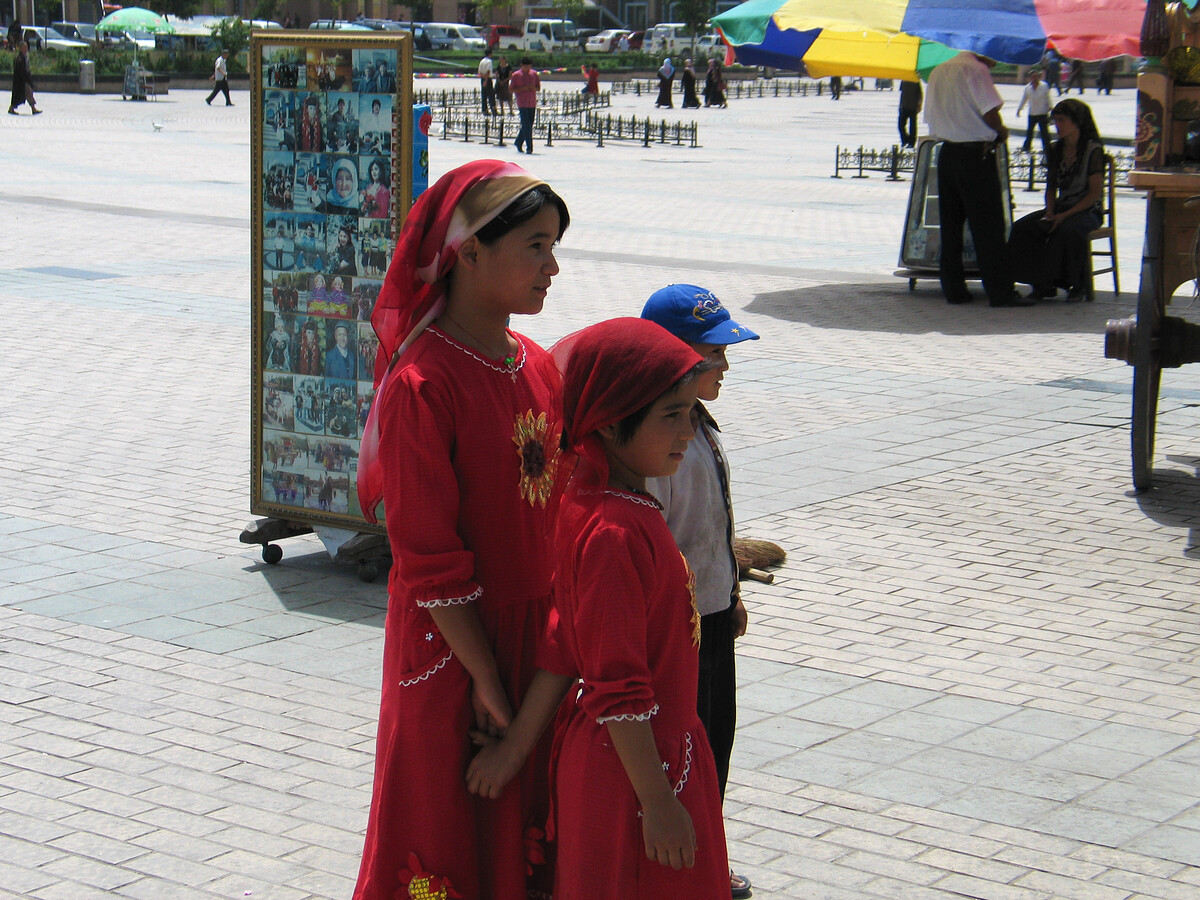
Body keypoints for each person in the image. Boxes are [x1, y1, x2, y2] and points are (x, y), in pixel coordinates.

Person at [352, 159, 570, 900]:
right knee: (442, 831)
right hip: (451, 651)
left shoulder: (539, 365)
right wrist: (483, 675)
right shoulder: (424, 384)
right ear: (468, 251)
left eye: (554, 246)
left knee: (526, 837)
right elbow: (426, 557)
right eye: (535, 246)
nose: (553, 266)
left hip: (534, 647)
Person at [464, 317, 731, 899]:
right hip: (635, 776)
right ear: (610, 423)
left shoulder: (604, 500)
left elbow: (563, 644)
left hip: (646, 760)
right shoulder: (615, 530)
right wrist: (659, 802)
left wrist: (515, 749)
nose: (687, 430)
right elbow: (616, 687)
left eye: (690, 411)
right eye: (671, 415)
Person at [640, 284, 758, 900]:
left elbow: (718, 519)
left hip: (711, 614)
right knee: (685, 749)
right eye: (713, 357)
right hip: (677, 628)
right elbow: (654, 544)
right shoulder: (656, 442)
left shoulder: (697, 423)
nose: (725, 368)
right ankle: (683, 866)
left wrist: (730, 591)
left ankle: (706, 854)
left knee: (716, 742)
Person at [924, 51, 1026, 307]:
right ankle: (1000, 292)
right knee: (988, 227)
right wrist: (1001, 131)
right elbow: (991, 114)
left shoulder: (938, 70)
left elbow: (930, 117)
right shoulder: (975, 70)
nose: (996, 61)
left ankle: (954, 289)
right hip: (974, 155)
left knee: (951, 225)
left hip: (947, 153)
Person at [1007, 99, 1105, 302]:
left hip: (1087, 210)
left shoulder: (1092, 150)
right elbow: (1051, 187)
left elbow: (1094, 194)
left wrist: (1064, 216)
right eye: (1055, 121)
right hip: (1060, 207)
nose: (1057, 125)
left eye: (1062, 120)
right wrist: (1051, 212)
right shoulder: (1055, 149)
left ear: (1076, 121)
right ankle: (1041, 283)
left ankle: (1075, 285)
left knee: (1069, 231)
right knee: (1023, 228)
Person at [1016, 69, 1052, 158]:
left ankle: (1047, 147)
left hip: (1042, 112)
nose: (1034, 78)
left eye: (1036, 76)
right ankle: (1027, 146)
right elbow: (1024, 99)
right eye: (1033, 77)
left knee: (1044, 132)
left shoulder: (1044, 86)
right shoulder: (1028, 88)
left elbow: (1048, 97)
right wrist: (1019, 109)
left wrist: (1051, 107)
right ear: (1030, 78)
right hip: (1032, 113)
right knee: (1030, 131)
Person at [510, 57, 541, 154]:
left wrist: (533, 88)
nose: (526, 68)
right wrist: (523, 88)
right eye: (524, 66)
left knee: (529, 124)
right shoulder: (516, 75)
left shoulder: (534, 74)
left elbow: (538, 87)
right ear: (521, 65)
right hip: (522, 102)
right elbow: (511, 89)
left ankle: (519, 141)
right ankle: (529, 147)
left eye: (528, 66)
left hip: (531, 102)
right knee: (526, 125)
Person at [9, 41, 39, 115]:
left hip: (23, 81)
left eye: (26, 47)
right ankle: (32, 109)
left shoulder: (23, 57)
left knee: (27, 94)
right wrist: (27, 78)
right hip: (21, 81)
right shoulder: (20, 59)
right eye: (25, 47)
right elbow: (22, 71)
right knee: (26, 93)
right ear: (21, 48)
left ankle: (33, 108)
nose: (26, 49)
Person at [898, 79, 922, 147]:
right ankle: (905, 140)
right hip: (904, 106)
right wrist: (900, 105)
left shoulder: (916, 81)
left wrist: (919, 105)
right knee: (901, 125)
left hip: (913, 107)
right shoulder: (903, 80)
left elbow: (920, 94)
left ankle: (911, 142)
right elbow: (902, 93)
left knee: (912, 127)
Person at [479, 48, 498, 116]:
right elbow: (488, 71)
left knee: (484, 95)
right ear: (490, 54)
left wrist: (483, 78)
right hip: (488, 79)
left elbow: (479, 71)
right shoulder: (489, 61)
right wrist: (486, 80)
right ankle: (493, 109)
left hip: (482, 78)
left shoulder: (482, 61)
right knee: (491, 95)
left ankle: (484, 110)